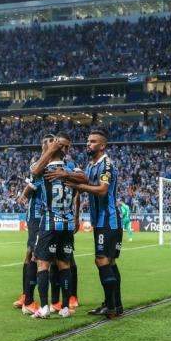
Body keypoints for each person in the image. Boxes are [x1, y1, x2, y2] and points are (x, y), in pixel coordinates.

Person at [67, 128, 123, 319]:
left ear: (102, 145)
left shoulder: (106, 165)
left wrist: (78, 186)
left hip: (108, 219)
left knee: (102, 260)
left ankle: (112, 306)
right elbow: (82, 187)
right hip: (100, 221)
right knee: (109, 262)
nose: (88, 144)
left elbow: (102, 190)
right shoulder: (91, 165)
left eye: (92, 142)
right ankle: (115, 304)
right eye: (88, 141)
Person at [30, 132, 85, 319]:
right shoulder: (72, 170)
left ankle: (44, 307)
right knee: (64, 264)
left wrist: (51, 149)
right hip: (67, 224)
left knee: (42, 264)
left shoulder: (44, 169)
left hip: (49, 223)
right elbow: (84, 179)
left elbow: (34, 171)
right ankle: (65, 307)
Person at [14, 134, 53, 315]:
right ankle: (28, 299)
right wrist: (24, 193)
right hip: (37, 217)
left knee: (37, 255)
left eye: (51, 144)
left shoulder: (55, 165)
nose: (48, 147)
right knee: (34, 256)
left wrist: (24, 193)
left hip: (48, 217)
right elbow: (31, 187)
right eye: (45, 144)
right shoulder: (38, 165)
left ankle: (27, 296)